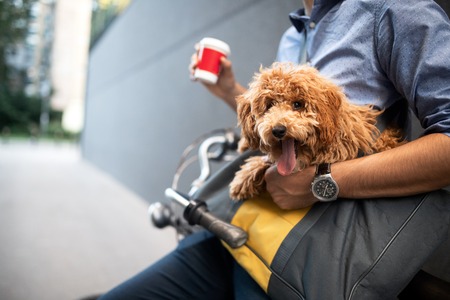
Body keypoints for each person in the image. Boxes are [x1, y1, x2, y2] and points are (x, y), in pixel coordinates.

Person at [99, 0, 450, 299]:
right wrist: (228, 91)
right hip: (236, 230)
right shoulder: (294, 34)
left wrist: (321, 181)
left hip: (304, 260)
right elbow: (275, 127)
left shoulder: (392, 10)